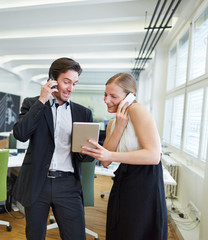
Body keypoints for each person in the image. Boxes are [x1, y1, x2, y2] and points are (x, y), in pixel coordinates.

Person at [13, 57, 94, 240]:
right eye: (66, 82)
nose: (70, 89)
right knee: (35, 236)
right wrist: (42, 100)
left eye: (74, 83)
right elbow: (21, 134)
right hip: (37, 184)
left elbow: (86, 157)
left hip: (68, 185)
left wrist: (86, 152)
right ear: (52, 80)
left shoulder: (83, 113)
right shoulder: (32, 104)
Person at [81, 73, 168, 240]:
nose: (107, 100)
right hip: (124, 178)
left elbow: (154, 156)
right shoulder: (113, 122)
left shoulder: (138, 110)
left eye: (113, 96)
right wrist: (119, 127)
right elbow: (105, 161)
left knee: (137, 231)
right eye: (105, 95)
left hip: (145, 180)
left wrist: (112, 154)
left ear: (130, 96)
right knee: (120, 228)